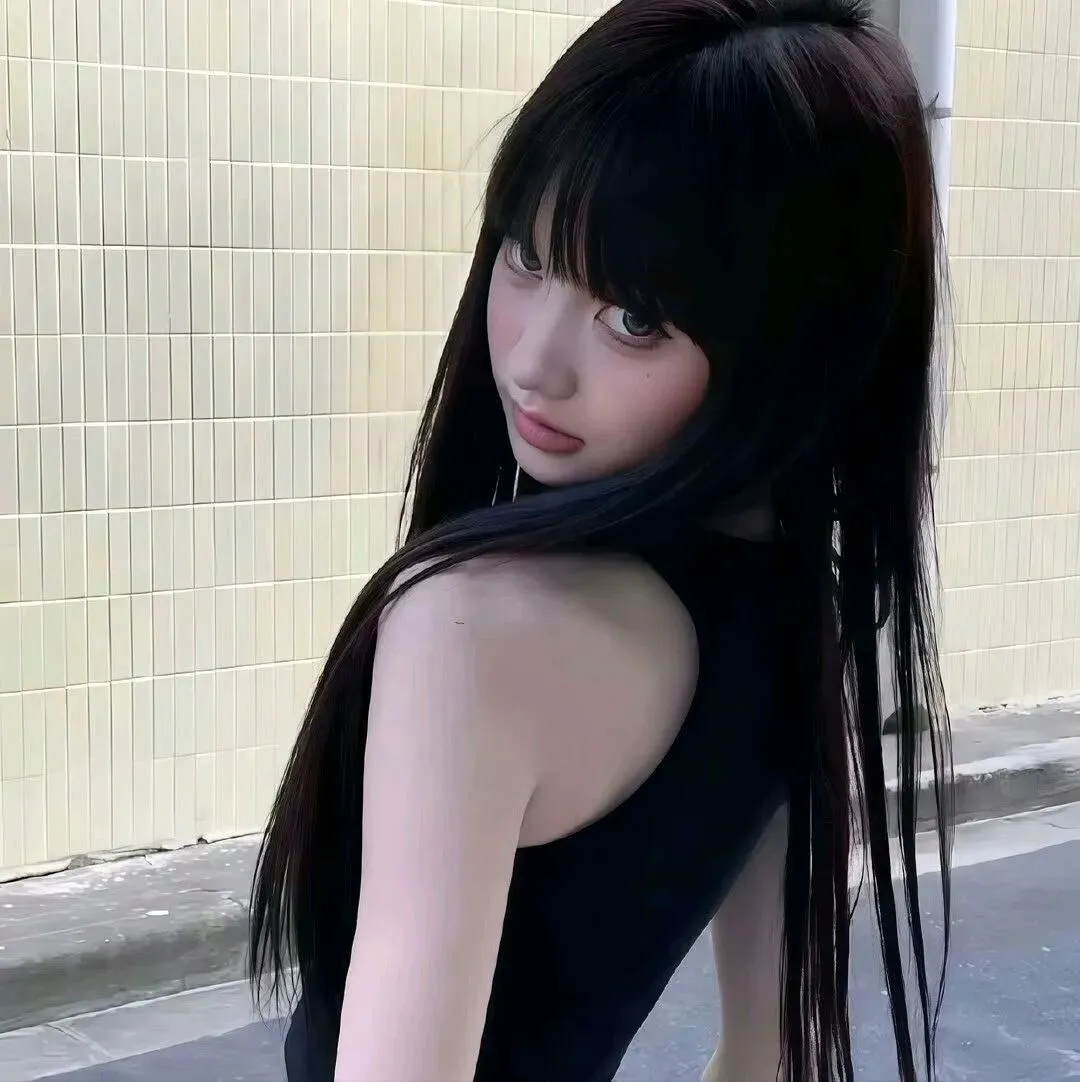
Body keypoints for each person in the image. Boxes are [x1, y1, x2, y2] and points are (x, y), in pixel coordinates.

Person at [248, 0, 956, 1078]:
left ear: (794, 340)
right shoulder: (798, 610)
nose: (533, 361)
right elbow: (768, 1055)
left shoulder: (475, 630)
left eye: (635, 320)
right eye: (527, 256)